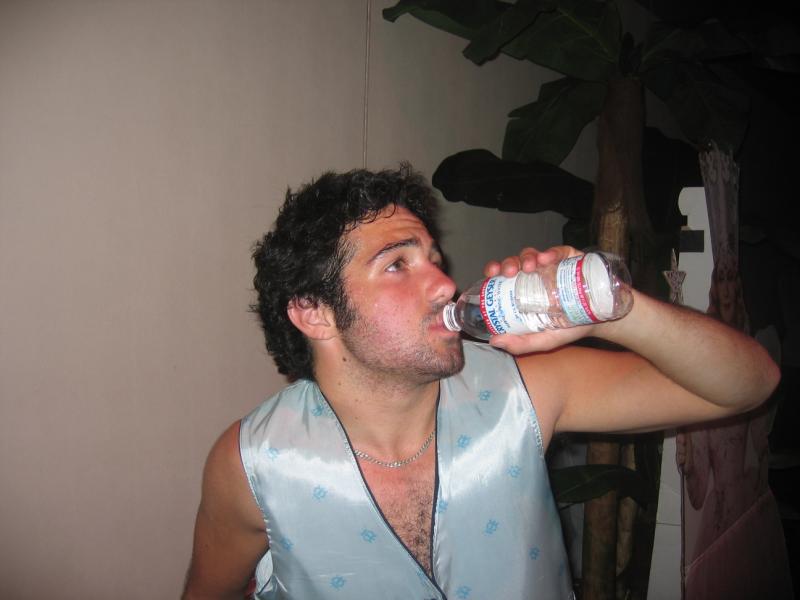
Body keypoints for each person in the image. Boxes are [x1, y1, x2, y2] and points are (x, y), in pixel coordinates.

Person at [182, 166, 779, 600]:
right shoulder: (254, 463)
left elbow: (748, 383)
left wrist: (612, 309)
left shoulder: (522, 391)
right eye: (397, 264)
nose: (444, 284)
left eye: (433, 259)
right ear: (315, 313)